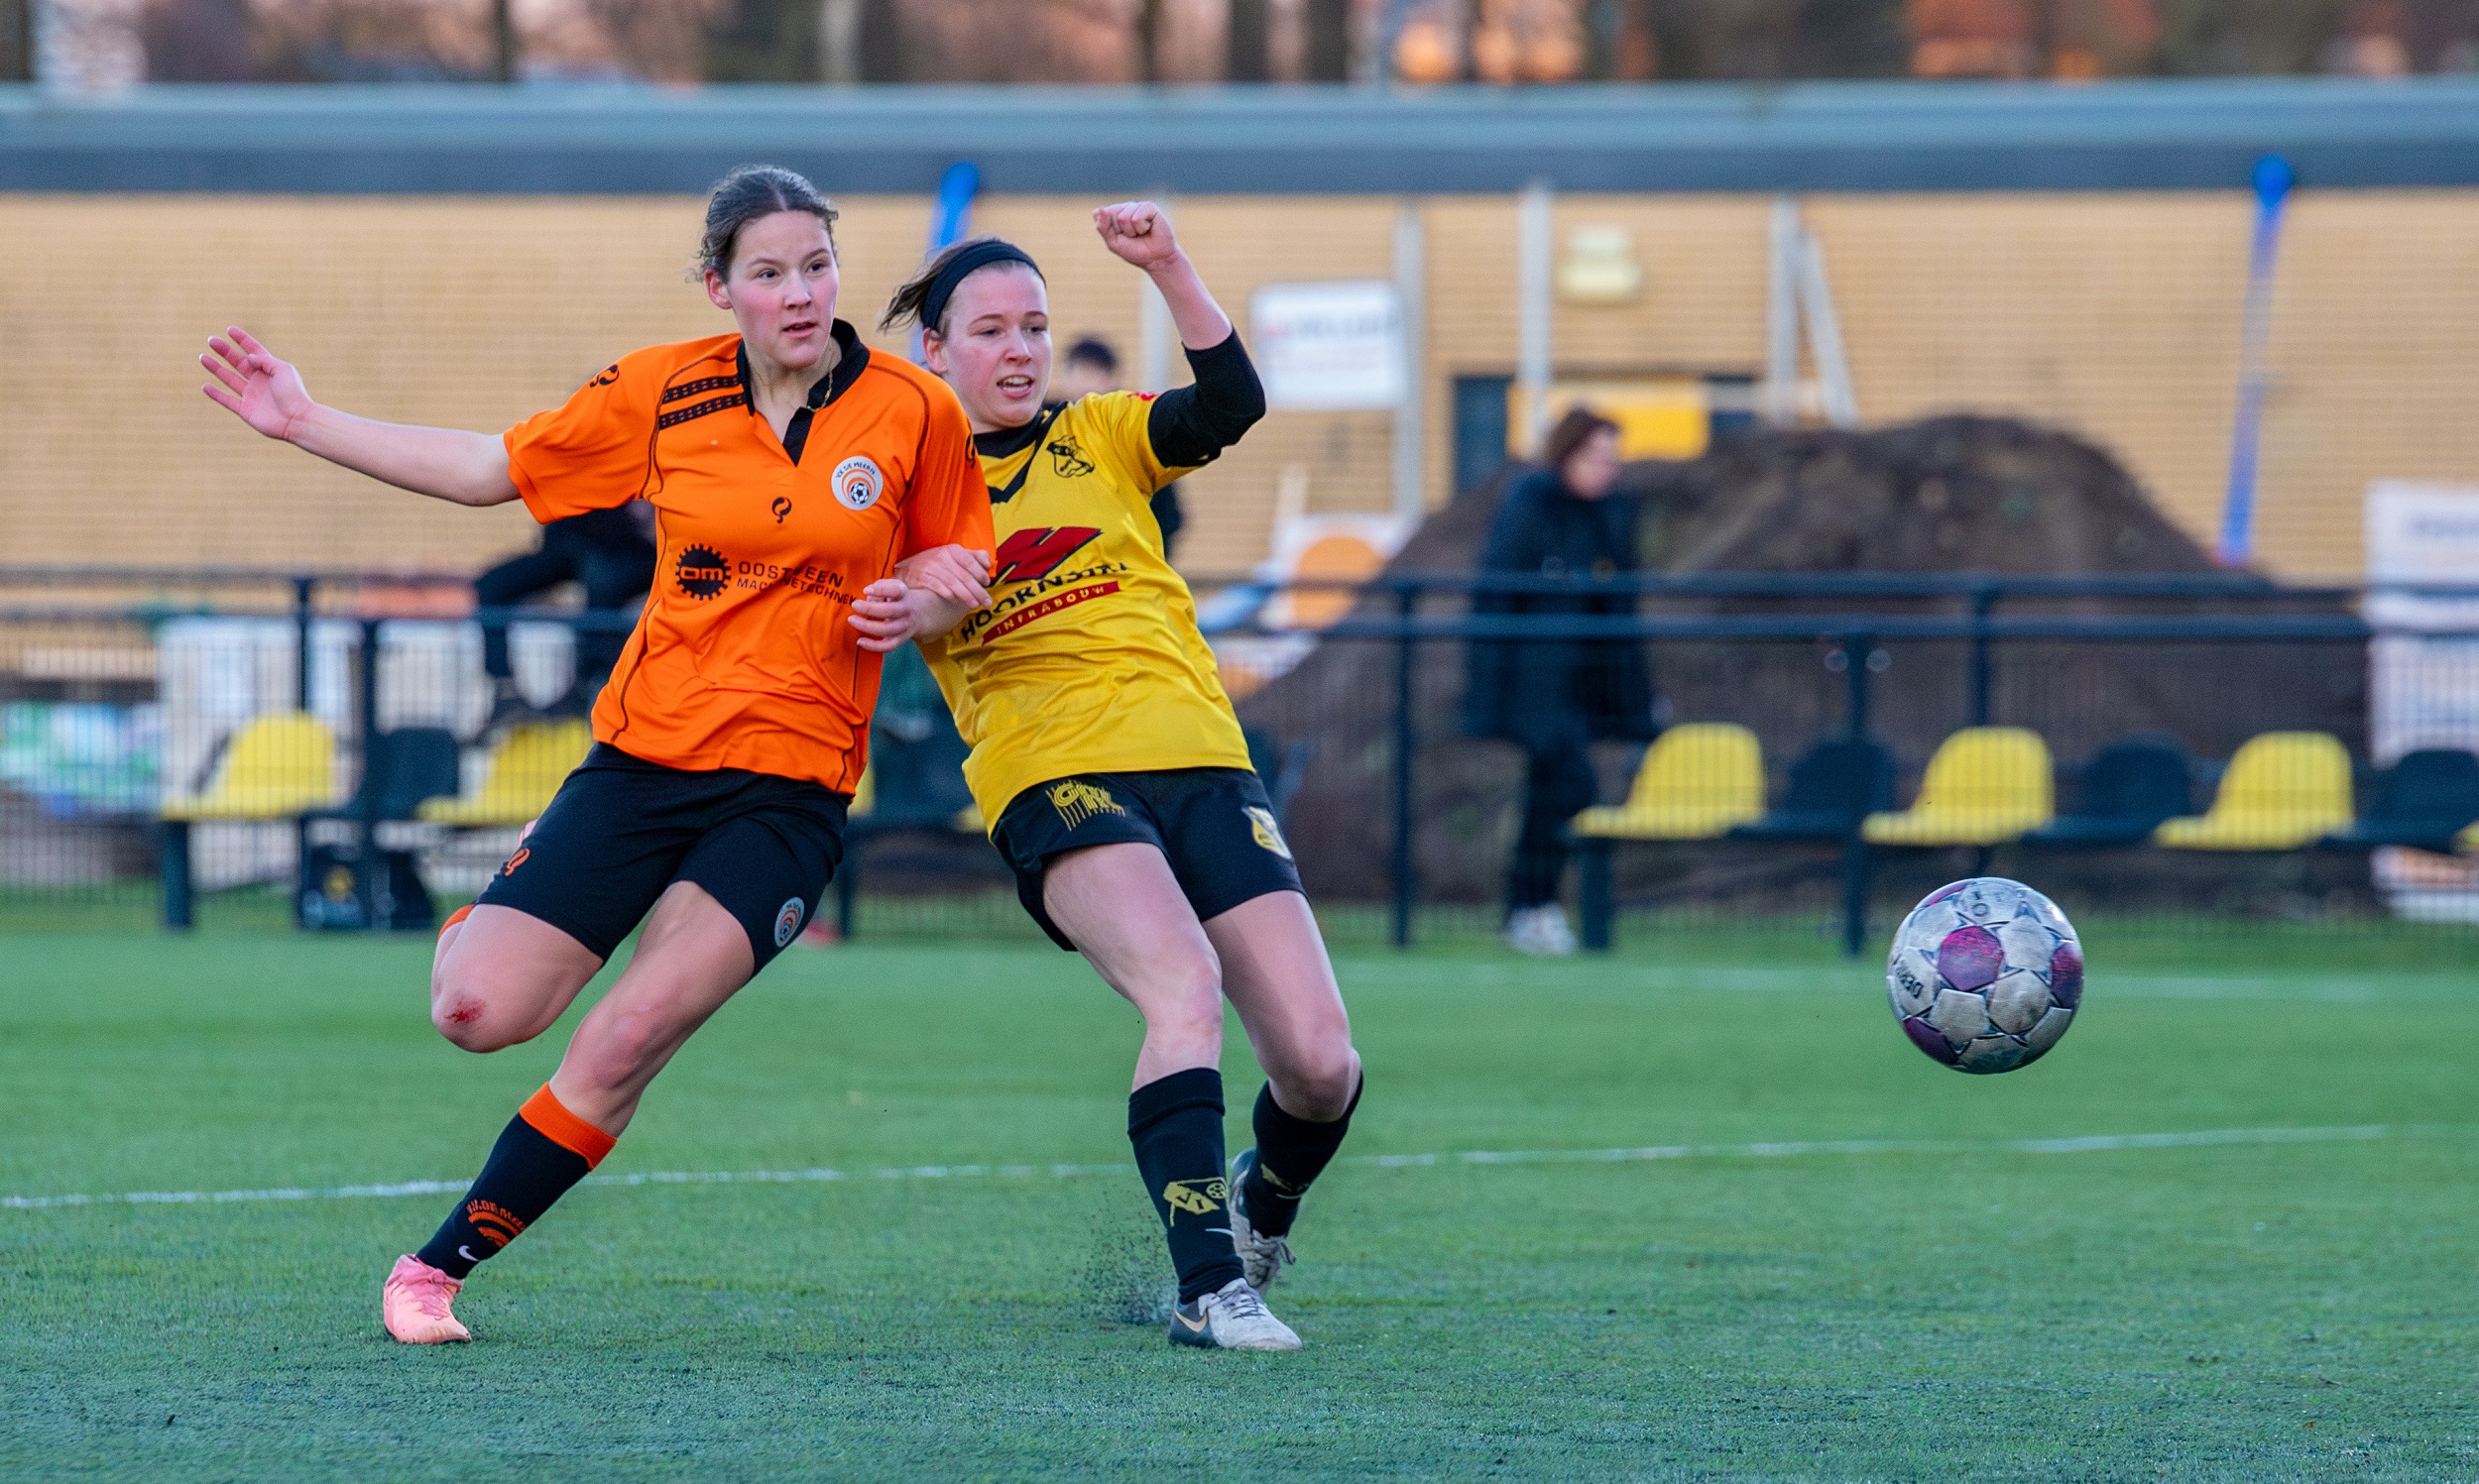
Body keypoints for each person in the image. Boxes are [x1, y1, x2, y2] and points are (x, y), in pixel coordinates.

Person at [198, 165, 995, 1345]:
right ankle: (484, 923)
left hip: (788, 792)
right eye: (768, 272)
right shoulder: (659, 390)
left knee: (627, 1037)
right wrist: (304, 419)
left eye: (817, 266)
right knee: (476, 1012)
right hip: (642, 764)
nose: (799, 292)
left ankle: (432, 1271)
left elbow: (958, 567)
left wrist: (921, 604)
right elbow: (485, 473)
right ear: (720, 286)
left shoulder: (914, 410)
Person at [881, 204, 1361, 1352]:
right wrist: (928, 603)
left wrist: (1167, 265)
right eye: (988, 329)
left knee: (1319, 1061)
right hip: (1053, 773)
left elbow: (1229, 405)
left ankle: (1259, 1215)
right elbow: (889, 601)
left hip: (1199, 754)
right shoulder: (901, 487)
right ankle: (1208, 1288)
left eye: (1033, 327)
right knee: (1183, 986)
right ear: (933, 353)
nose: (1017, 350)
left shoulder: (1096, 432)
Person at [1463, 406, 1659, 957]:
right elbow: (1499, 594)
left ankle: (1532, 907)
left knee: (1558, 796)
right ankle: (1532, 907)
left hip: (1584, 683)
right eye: (1597, 457)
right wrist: (1492, 686)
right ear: (1568, 454)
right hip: (1535, 687)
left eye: (1613, 460)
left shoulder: (1611, 515)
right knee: (1566, 787)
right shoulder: (1530, 506)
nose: (1607, 470)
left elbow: (1619, 602)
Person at [472, 506, 656, 726]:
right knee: (492, 586)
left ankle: (591, 686)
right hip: (574, 541)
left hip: (625, 547)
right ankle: (505, 692)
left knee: (601, 582)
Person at [1051, 333, 1186, 560]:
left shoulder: (1134, 432)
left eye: (1094, 374)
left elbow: (1168, 517)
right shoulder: (1043, 429)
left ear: (1112, 379)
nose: (1087, 384)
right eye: (1080, 372)